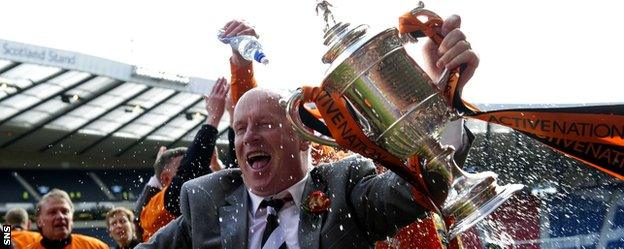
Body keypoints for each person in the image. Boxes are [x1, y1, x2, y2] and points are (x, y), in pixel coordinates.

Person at [137, 13, 478, 248]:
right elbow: (258, 120)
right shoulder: (207, 202)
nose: (248, 136)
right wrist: (241, 66)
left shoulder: (346, 185)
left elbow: (421, 183)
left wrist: (440, 104)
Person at [137, 77, 230, 242]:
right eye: (181, 165)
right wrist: (213, 118)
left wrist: (215, 166)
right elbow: (188, 173)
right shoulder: (152, 209)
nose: (200, 170)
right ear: (166, 178)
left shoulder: (195, 197)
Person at [31, 189, 108, 249]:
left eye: (65, 212)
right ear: (39, 221)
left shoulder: (96, 247)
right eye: (52, 212)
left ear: (72, 218)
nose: (60, 216)